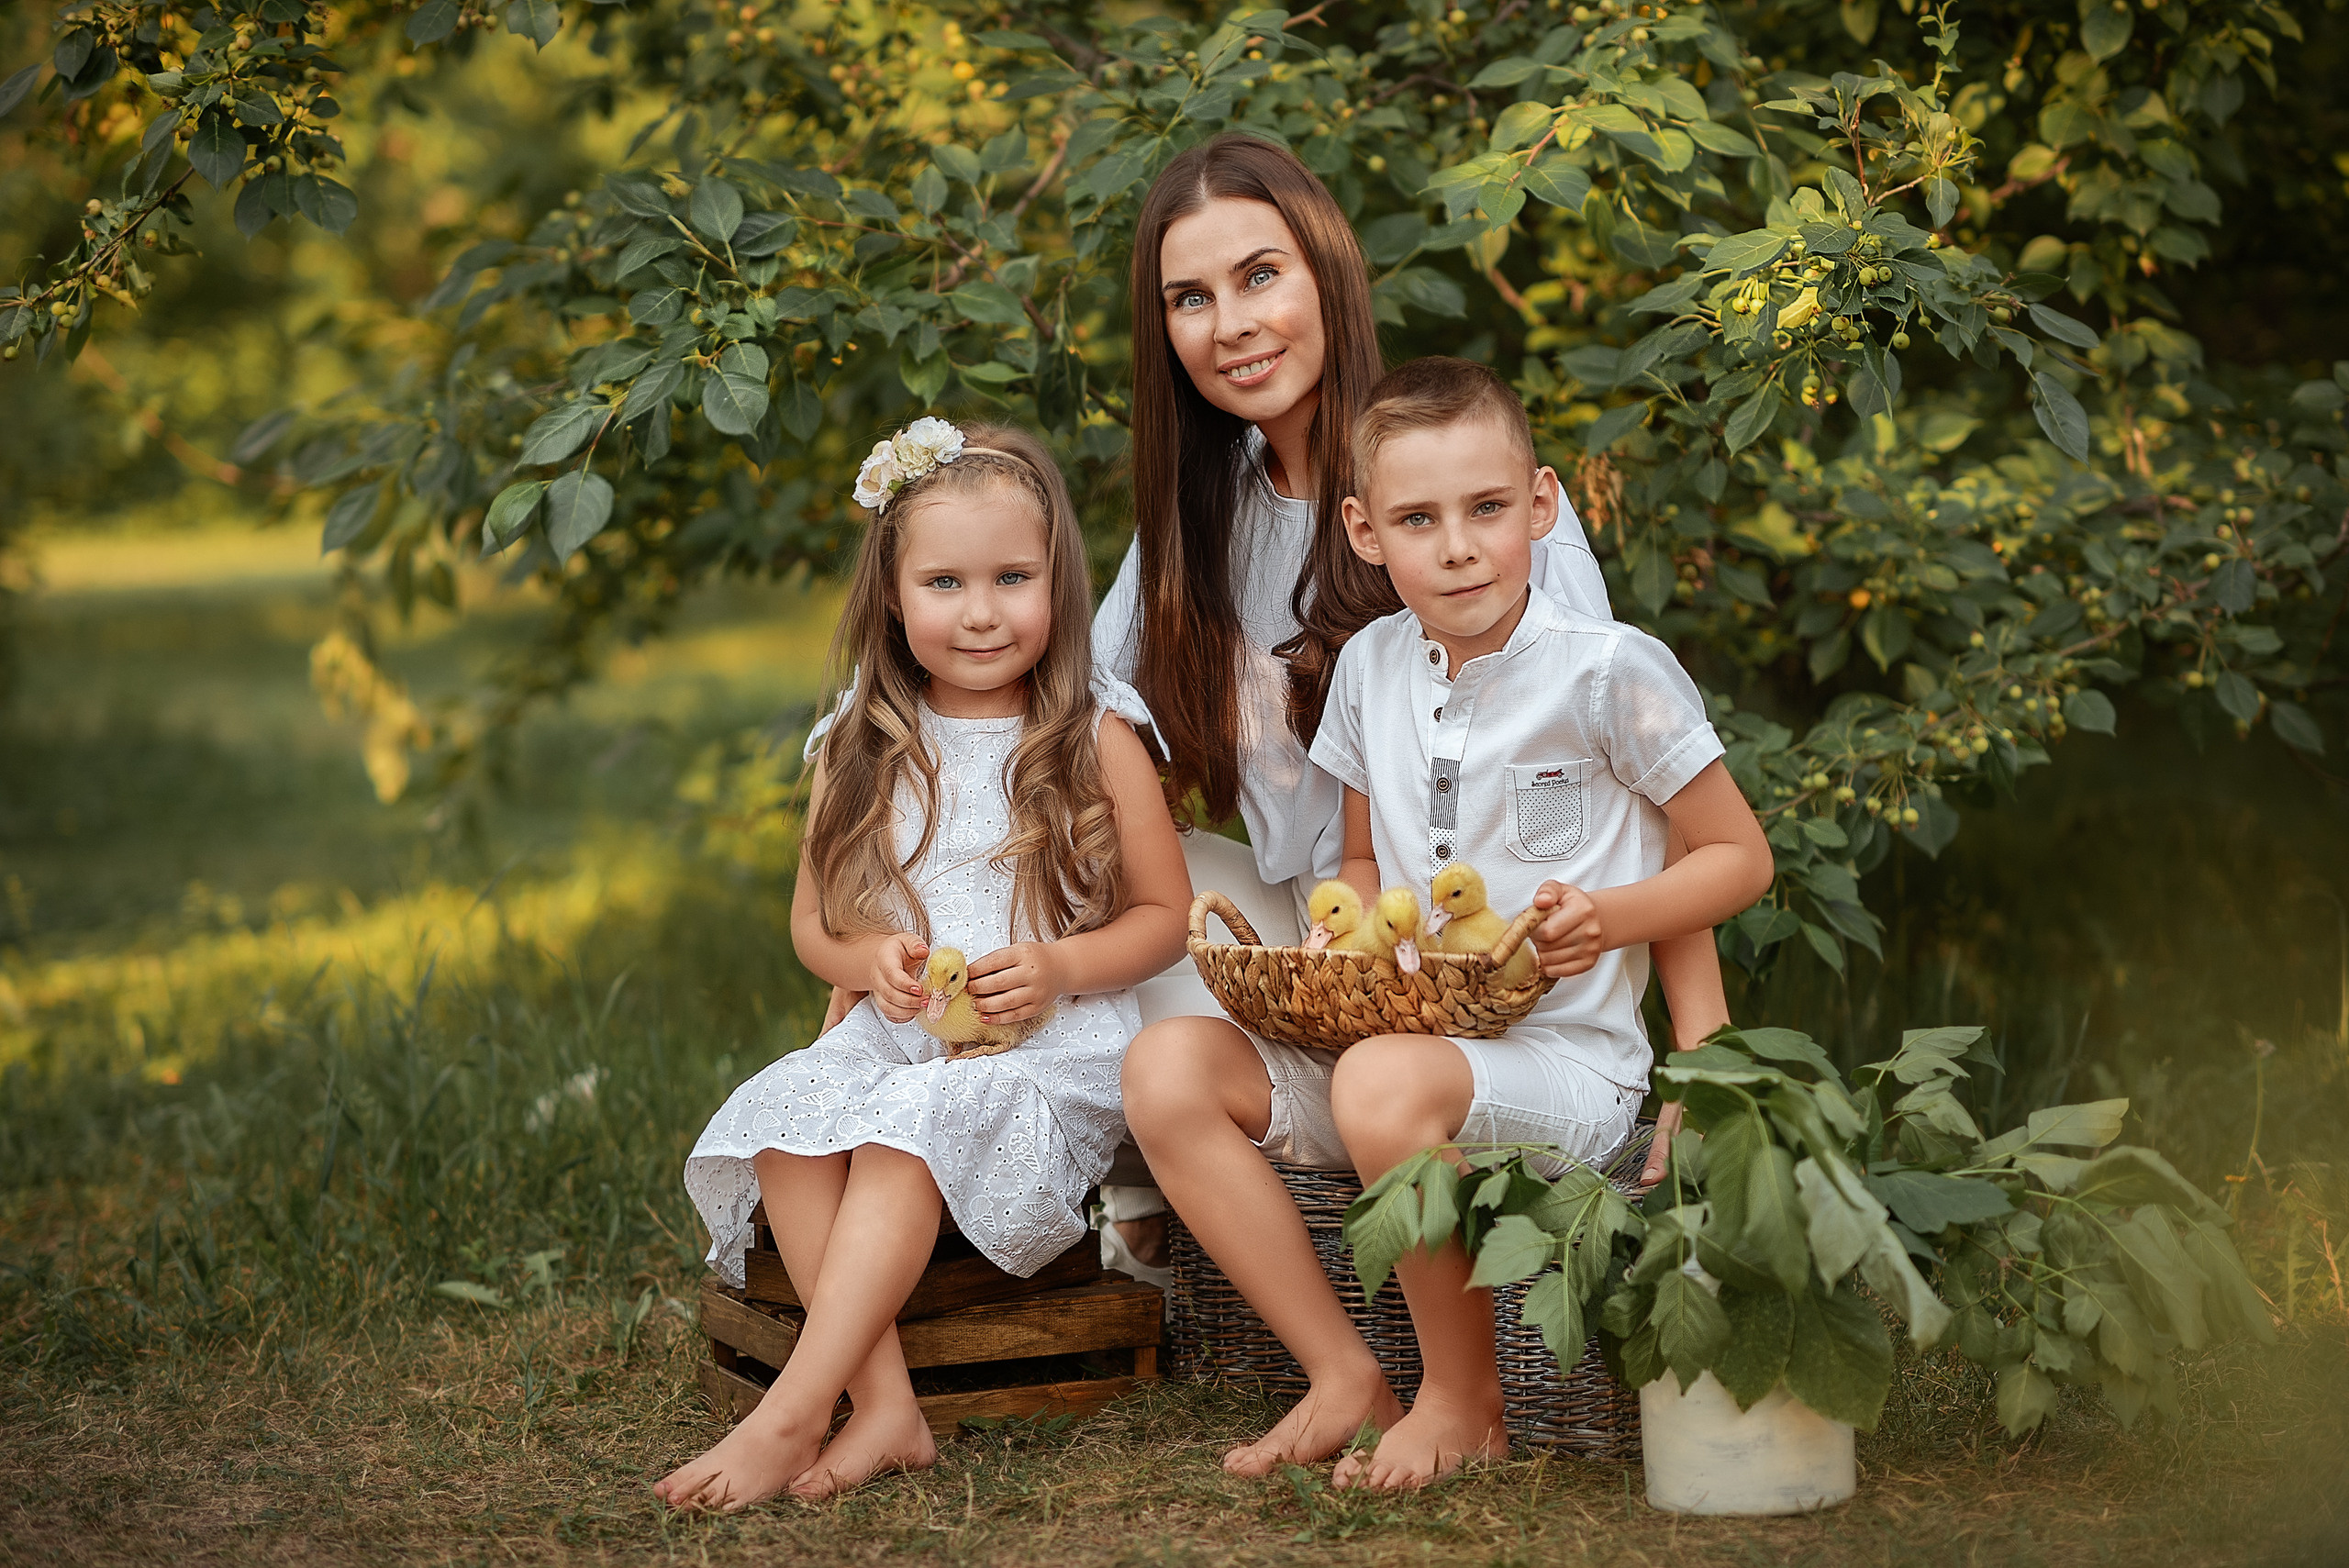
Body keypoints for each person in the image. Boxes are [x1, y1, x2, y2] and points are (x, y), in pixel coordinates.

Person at [1109, 133, 1740, 1477]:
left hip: (1504, 962)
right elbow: (1084, 715)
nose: (1232, 325)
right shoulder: (1203, 503)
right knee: (1102, 902)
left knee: (1390, 1067)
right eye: (1191, 297)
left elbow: (1645, 784)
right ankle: (1339, 1368)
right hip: (1351, 932)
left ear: (1324, 273)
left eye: (1260, 274)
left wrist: (1706, 1056)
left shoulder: (1458, 477)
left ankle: (1458, 1389)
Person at [654, 420, 1190, 1509]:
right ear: (892, 596)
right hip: (900, 1034)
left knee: (902, 1136)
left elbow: (1166, 919)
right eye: (945, 580)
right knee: (788, 1127)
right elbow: (812, 926)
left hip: (1049, 1050)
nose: (982, 609)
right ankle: (887, 1406)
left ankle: (794, 1410)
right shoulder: (857, 738)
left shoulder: (1095, 736)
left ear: (1059, 583)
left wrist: (1058, 964)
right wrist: (869, 957)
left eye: (1012, 577)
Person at [1305, 358, 1776, 1486]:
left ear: (1542, 504)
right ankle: (1350, 1370)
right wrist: (1353, 922)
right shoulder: (1368, 668)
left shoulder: (1611, 672)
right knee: (1235, 1062)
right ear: (1365, 532)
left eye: (1486, 509)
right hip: (1428, 1033)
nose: (1457, 545)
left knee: (1374, 1083)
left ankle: (1462, 1397)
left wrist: (1609, 917)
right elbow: (1362, 855)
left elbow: (1737, 856)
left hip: (1572, 1063)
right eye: (1418, 519)